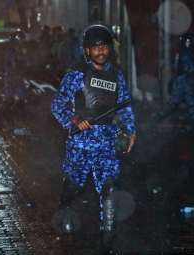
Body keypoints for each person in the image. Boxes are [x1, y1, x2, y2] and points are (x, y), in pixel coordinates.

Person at [51, 24, 136, 250]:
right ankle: (64, 212)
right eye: (95, 47)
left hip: (107, 142)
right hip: (80, 142)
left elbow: (124, 107)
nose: (101, 51)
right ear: (87, 50)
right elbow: (57, 105)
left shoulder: (116, 75)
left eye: (104, 46)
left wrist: (130, 130)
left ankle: (108, 236)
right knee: (73, 185)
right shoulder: (76, 74)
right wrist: (74, 120)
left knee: (109, 188)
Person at [151, 32, 194, 132]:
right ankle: (156, 118)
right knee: (181, 103)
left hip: (183, 80)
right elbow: (189, 67)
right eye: (190, 41)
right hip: (183, 80)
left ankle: (192, 125)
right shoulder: (186, 52)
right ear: (188, 41)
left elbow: (180, 66)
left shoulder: (184, 51)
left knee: (190, 103)